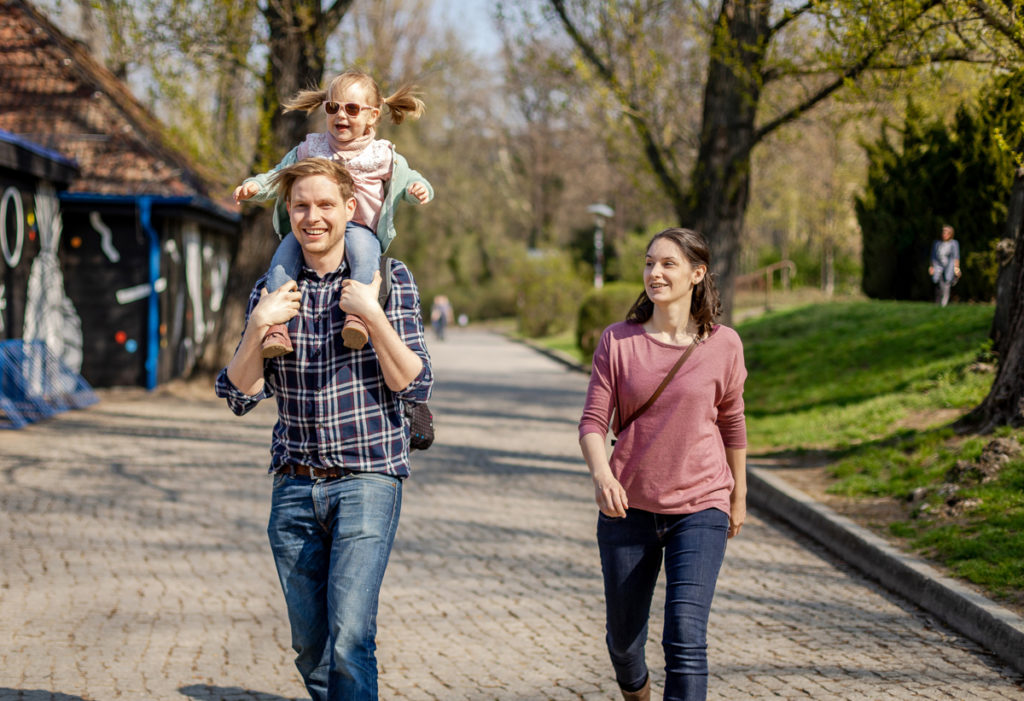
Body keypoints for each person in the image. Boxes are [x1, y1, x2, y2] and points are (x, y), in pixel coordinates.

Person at [215, 158, 432, 701]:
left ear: (350, 209)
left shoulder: (389, 279)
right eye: (301, 206)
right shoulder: (275, 290)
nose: (313, 217)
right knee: (310, 645)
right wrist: (258, 326)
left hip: (367, 478)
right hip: (292, 484)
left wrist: (371, 315)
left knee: (350, 638)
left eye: (325, 205)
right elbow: (240, 394)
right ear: (287, 213)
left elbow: (414, 384)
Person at [578, 228, 747, 701]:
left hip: (701, 505)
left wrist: (739, 496)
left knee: (686, 638)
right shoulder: (619, 341)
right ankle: (637, 690)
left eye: (668, 264)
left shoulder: (725, 344)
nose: (655, 273)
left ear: (697, 274)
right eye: (650, 263)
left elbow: (732, 421)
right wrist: (602, 474)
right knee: (624, 646)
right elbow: (593, 422)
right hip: (627, 508)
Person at [234, 69, 434, 355]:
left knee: (366, 256)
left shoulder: (380, 155)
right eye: (333, 107)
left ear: (373, 116)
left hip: (360, 228)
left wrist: (418, 189)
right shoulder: (312, 148)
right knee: (281, 261)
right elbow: (279, 174)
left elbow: (411, 178)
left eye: (352, 109)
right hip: (315, 226)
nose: (341, 115)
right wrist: (254, 186)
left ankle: (358, 317)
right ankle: (276, 328)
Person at [928, 224, 961, 307]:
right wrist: (931, 267)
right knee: (938, 283)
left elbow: (956, 257)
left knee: (947, 284)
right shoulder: (937, 243)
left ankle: (944, 303)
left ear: (950, 234)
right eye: (943, 232)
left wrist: (956, 269)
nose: (944, 234)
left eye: (947, 233)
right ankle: (937, 302)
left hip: (949, 267)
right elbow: (933, 256)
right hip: (938, 266)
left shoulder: (954, 243)